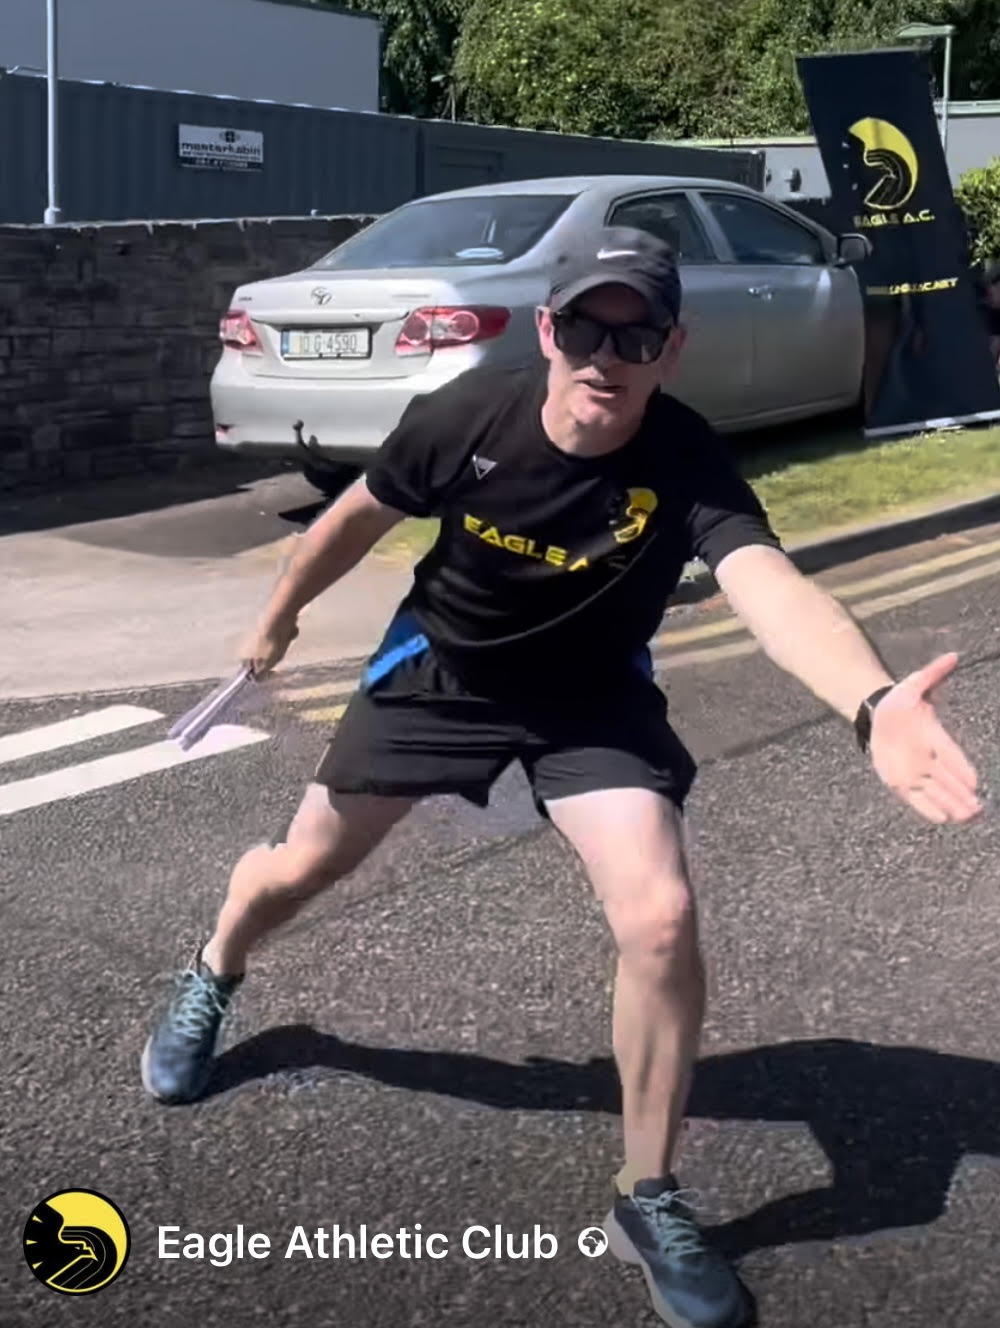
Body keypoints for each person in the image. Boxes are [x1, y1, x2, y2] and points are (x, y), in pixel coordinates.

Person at [141, 226, 983, 1328]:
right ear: (548, 331)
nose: (606, 356)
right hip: (443, 670)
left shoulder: (682, 457)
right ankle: (215, 966)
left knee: (661, 915)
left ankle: (647, 1192)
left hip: (590, 696)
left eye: (636, 336)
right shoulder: (469, 415)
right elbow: (352, 520)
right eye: (585, 327)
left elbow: (768, 586)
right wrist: (278, 616)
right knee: (302, 866)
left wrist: (870, 701)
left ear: (671, 348)